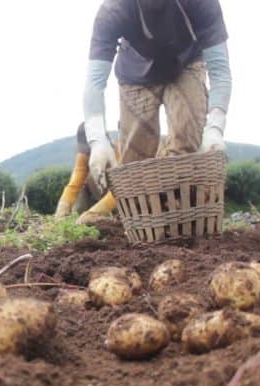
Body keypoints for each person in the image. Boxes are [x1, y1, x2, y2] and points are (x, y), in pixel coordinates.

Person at [56, 0, 232, 224]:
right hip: (135, 72)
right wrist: (98, 140)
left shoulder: (201, 3)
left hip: (186, 63)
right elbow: (94, 81)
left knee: (187, 138)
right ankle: (140, 221)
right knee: (134, 160)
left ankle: (176, 215)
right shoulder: (114, 10)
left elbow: (220, 69)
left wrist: (215, 127)